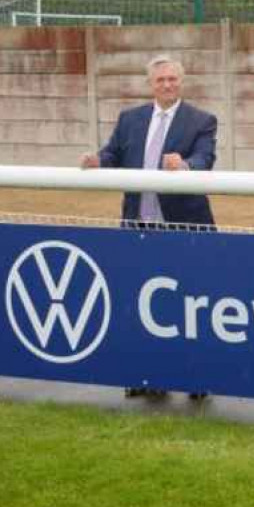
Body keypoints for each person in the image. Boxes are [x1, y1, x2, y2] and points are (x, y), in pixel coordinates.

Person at [81, 54, 217, 401]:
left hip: (184, 230)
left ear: (181, 81)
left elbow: (206, 159)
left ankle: (196, 377)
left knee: (188, 306)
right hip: (137, 229)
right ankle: (146, 377)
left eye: (173, 79)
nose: (168, 84)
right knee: (138, 303)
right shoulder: (131, 119)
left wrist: (186, 165)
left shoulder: (201, 120)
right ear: (150, 84)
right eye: (161, 80)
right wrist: (97, 161)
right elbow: (112, 154)